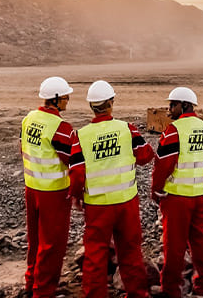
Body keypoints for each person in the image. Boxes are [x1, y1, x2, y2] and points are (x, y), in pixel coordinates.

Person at [70, 80, 155, 298]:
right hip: (126, 203)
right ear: (111, 103)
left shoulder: (81, 135)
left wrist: (76, 197)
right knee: (130, 252)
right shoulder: (127, 129)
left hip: (97, 206)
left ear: (91, 106)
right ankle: (137, 294)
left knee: (95, 254)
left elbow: (77, 173)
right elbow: (145, 156)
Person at [151, 86, 203, 298]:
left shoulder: (174, 131)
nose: (169, 108)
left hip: (177, 198)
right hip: (200, 195)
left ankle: (171, 289)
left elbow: (163, 165)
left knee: (174, 246)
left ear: (185, 105)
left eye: (173, 104)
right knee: (200, 241)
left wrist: (156, 190)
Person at [21, 76, 79, 298]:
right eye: (65, 97)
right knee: (52, 244)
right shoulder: (61, 128)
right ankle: (43, 291)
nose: (67, 101)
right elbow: (73, 160)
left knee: (35, 240)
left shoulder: (29, 119)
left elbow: (23, 147)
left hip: (31, 188)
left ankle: (31, 281)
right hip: (53, 192)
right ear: (55, 99)